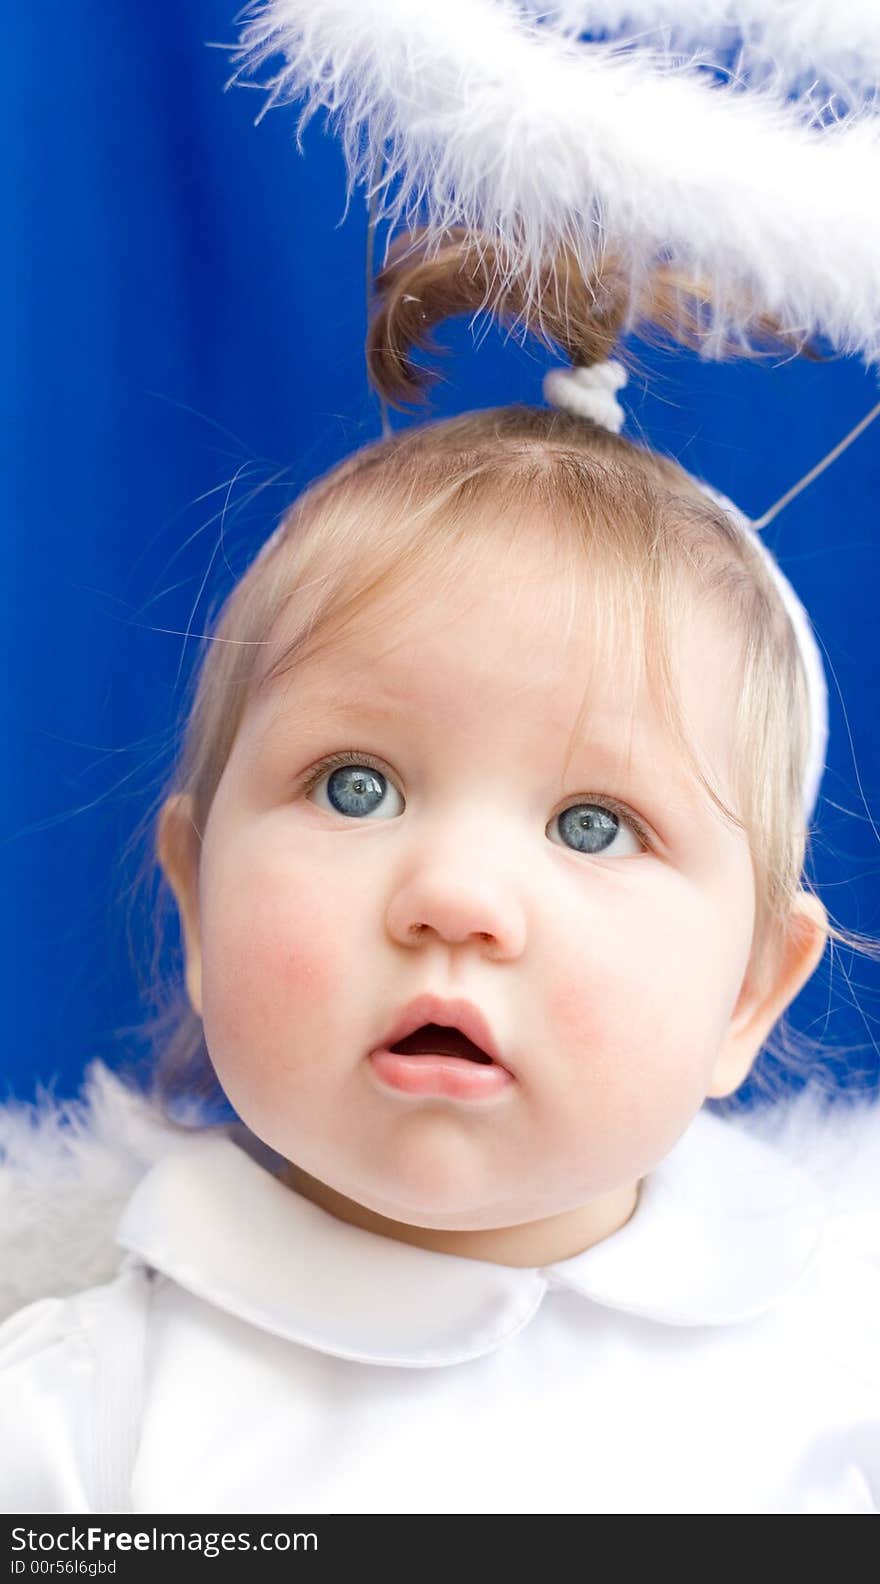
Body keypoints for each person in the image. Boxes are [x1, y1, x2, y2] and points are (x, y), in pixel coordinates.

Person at [0, 228, 878, 1515]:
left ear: (749, 991)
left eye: (593, 824)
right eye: (356, 787)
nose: (455, 898)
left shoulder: (830, 1371)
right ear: (195, 899)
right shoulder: (82, 1422)